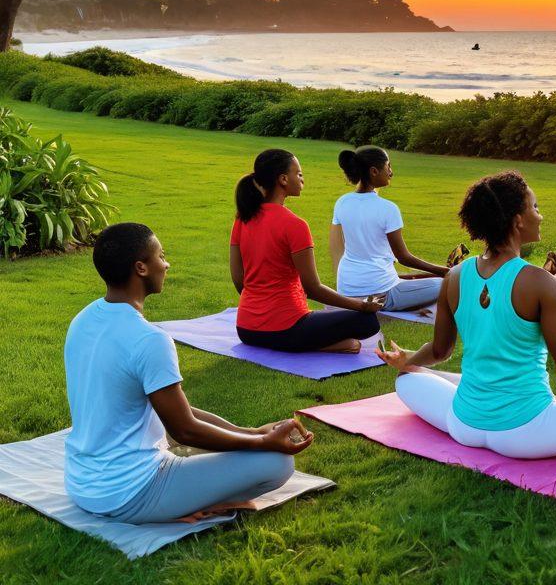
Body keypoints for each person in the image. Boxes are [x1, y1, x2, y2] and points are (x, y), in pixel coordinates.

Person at [375, 171, 556, 460]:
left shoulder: (454, 276)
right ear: (518, 220)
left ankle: (494, 396)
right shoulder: (540, 282)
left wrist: (410, 361)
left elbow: (440, 350)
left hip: (464, 424)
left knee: (407, 379)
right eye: (535, 207)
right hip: (525, 432)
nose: (540, 215)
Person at [64, 222, 312, 524]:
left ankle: (192, 490)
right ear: (141, 268)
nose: (166, 264)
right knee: (278, 463)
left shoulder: (84, 319)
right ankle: (181, 504)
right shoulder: (149, 340)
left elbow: (177, 414)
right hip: (130, 494)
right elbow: (185, 430)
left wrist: (251, 432)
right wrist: (263, 444)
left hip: (82, 485)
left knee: (206, 437)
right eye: (161, 255)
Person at [231, 149, 383, 354]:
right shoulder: (295, 225)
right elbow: (313, 288)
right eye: (298, 173)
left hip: (247, 329)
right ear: (283, 179)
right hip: (288, 328)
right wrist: (361, 305)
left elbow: (239, 281)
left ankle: (309, 340)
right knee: (368, 322)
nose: (302, 178)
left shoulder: (243, 219)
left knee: (329, 321)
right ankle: (331, 344)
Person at [329, 146, 446, 314]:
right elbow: (404, 257)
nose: (391, 172)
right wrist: (444, 271)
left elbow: (365, 251)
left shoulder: (342, 202)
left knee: (418, 280)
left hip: (346, 289)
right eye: (388, 166)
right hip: (379, 295)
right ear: (374, 171)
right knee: (445, 283)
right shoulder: (388, 209)